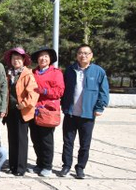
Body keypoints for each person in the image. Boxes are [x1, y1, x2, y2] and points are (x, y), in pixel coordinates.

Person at [60, 44, 110, 179]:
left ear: (91, 55)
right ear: (77, 55)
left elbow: (104, 91)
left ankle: (80, 167)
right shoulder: (70, 70)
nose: (83, 56)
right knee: (68, 142)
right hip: (70, 113)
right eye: (80, 53)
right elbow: (63, 89)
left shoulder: (98, 71)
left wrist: (99, 107)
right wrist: (63, 105)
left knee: (85, 144)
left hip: (88, 114)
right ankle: (66, 166)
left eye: (86, 53)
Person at [3, 47, 38, 176]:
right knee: (12, 138)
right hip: (10, 110)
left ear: (23, 60)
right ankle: (12, 165)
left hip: (22, 110)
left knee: (21, 139)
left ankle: (20, 167)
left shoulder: (27, 74)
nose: (16, 61)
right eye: (14, 58)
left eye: (18, 58)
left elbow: (34, 92)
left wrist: (24, 104)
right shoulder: (8, 73)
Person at [29, 47, 65, 178]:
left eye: (46, 56)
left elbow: (60, 91)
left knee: (46, 140)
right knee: (35, 139)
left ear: (50, 59)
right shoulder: (32, 72)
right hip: (33, 110)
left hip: (47, 111)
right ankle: (39, 164)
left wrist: (44, 91)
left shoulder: (56, 73)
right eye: (41, 56)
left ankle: (47, 166)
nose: (43, 58)